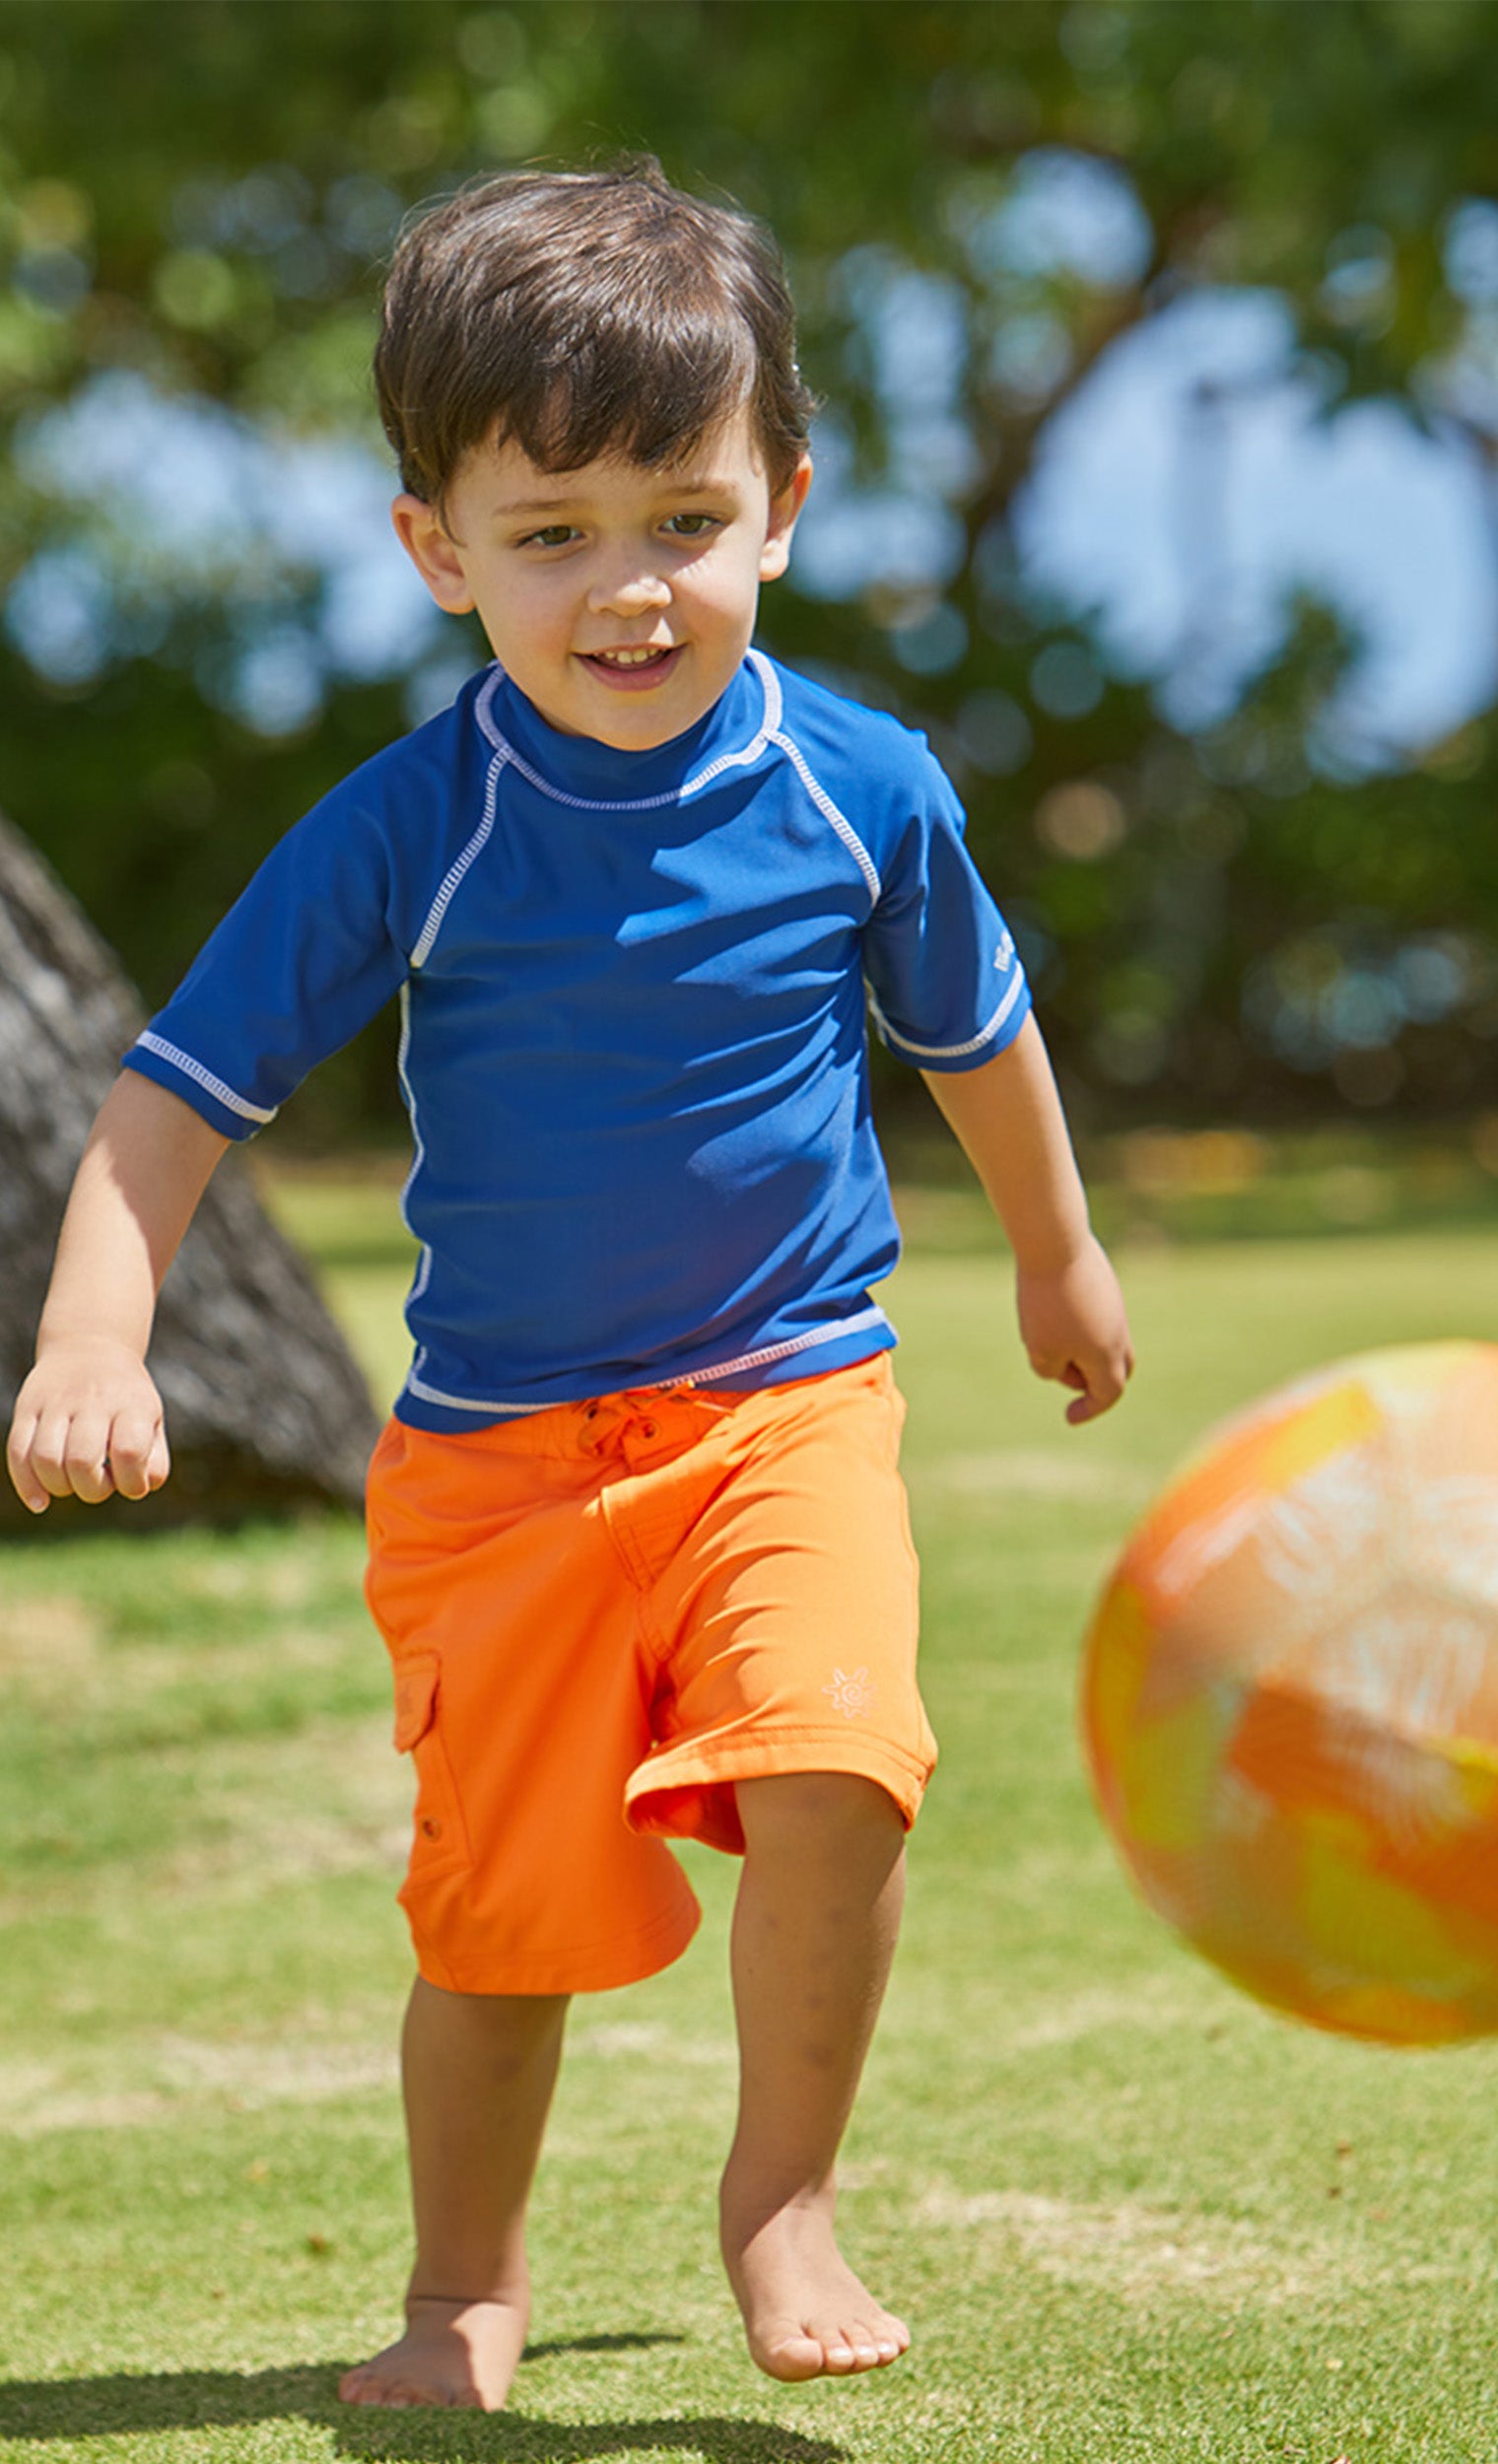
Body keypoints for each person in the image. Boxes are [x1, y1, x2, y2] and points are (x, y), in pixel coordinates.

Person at [4, 159, 1133, 2411]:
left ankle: (780, 2193)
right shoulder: (407, 826)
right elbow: (171, 1101)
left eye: (682, 519)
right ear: (437, 548)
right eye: (551, 533)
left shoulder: (861, 788)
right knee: (493, 1920)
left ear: (780, 507)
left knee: (839, 1761)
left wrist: (1057, 1248)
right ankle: (462, 2285)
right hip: (496, 1471)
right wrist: (91, 1331)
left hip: (785, 1405)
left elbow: (975, 1034)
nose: (629, 586)